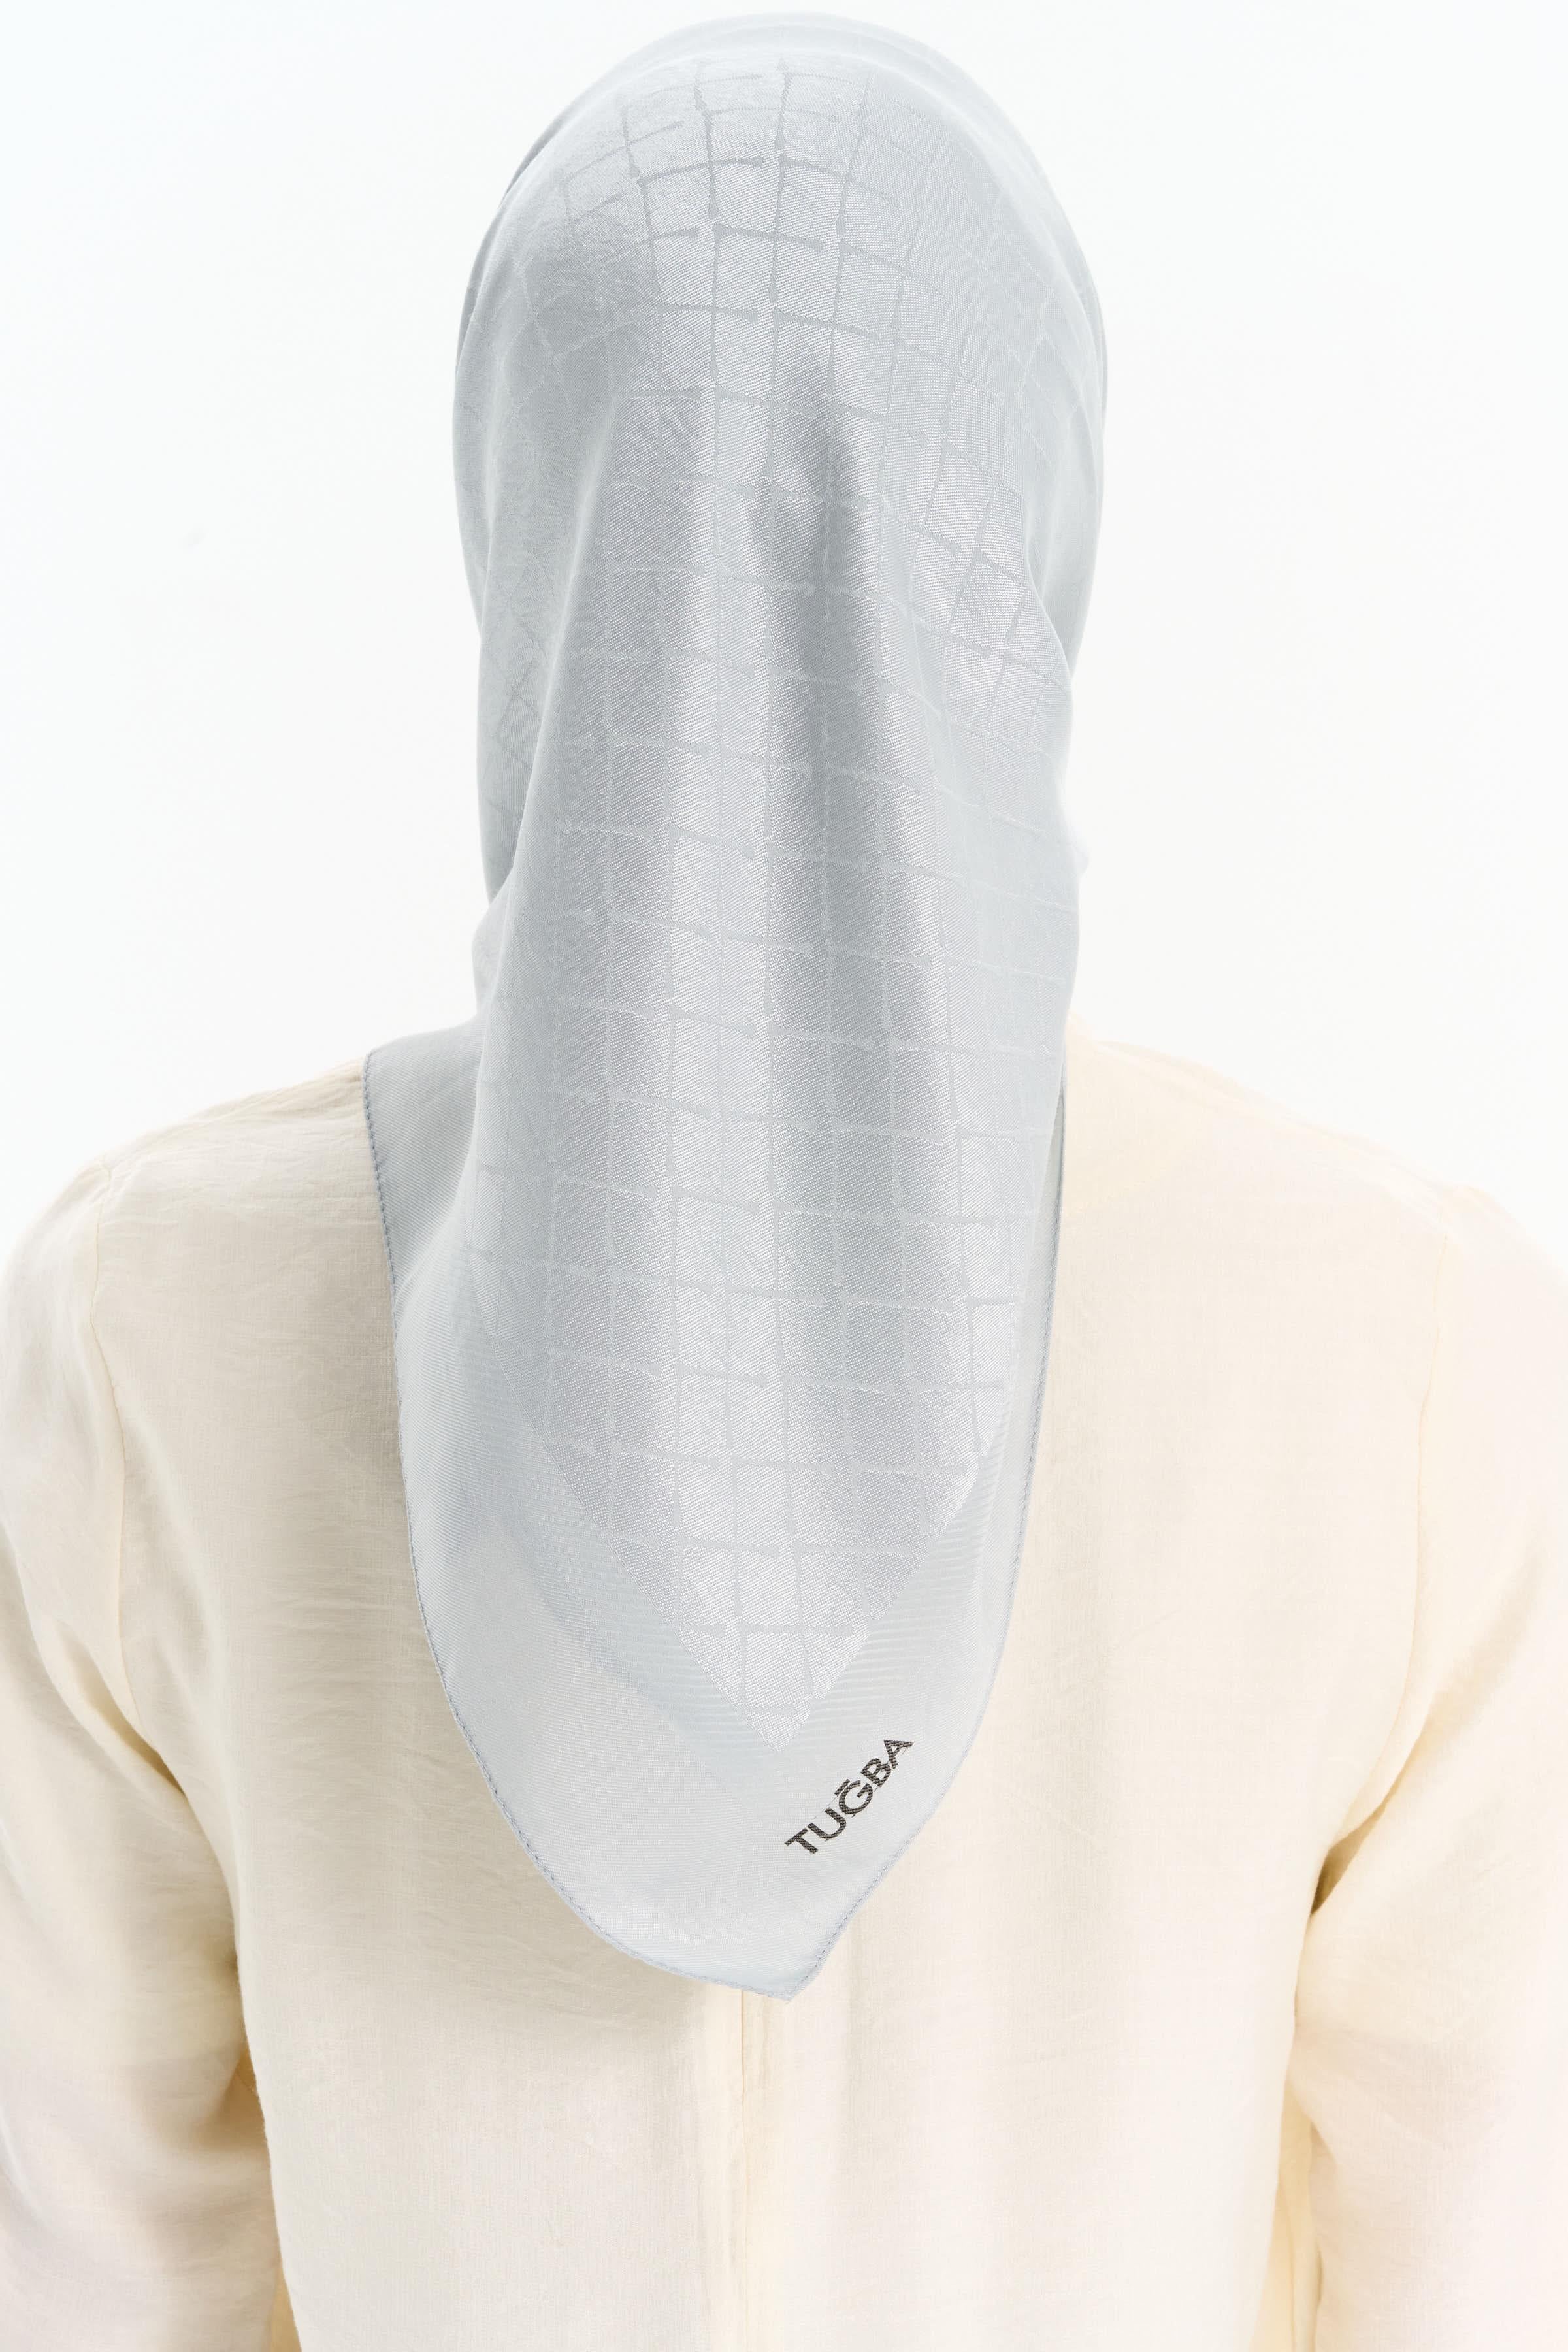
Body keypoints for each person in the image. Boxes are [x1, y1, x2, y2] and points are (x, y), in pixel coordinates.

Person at [1, 18, 1563, 2350]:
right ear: (1028, 523)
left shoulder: (148, 1322)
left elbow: (105, 2279)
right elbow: (1483, 2276)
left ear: (523, 507)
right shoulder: (1400, 1347)